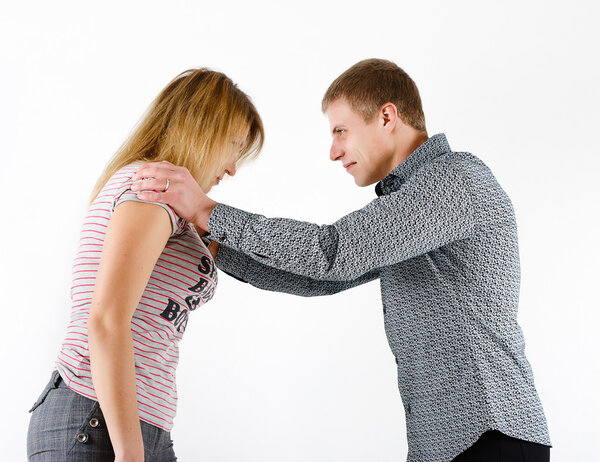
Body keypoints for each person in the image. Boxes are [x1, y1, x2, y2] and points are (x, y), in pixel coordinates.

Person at [131, 59, 552, 462]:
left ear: (387, 117)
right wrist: (212, 242)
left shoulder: (453, 179)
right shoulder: (410, 205)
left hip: (491, 435)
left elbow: (333, 253)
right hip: (450, 445)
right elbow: (322, 279)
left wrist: (208, 211)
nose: (334, 152)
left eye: (341, 131)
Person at [26, 68, 264, 462]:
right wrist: (130, 454)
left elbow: (270, 263)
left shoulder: (175, 204)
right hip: (97, 419)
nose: (233, 168)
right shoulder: (152, 189)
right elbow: (105, 319)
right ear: (200, 130)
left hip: (129, 424)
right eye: (234, 146)